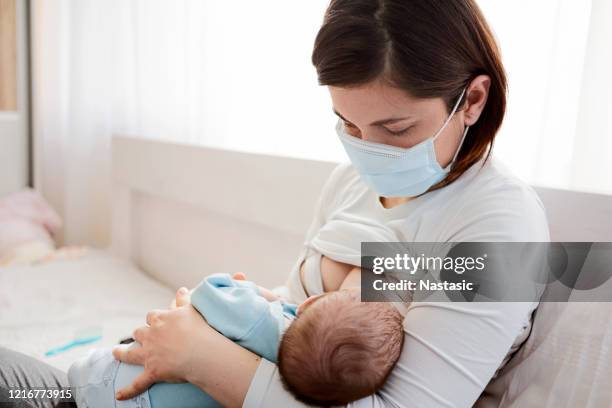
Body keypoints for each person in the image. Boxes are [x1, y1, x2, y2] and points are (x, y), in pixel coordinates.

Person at [0, 1, 549, 407]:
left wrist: (201, 354)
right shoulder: (351, 182)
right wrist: (238, 312)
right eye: (349, 124)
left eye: (395, 128)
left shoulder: (499, 226)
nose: (367, 150)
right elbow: (295, 322)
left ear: (472, 100)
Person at [67, 272, 404, 408]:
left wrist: (253, 293)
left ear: (312, 301)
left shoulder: (261, 318)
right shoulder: (313, 379)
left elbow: (211, 288)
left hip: (110, 384)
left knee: (70, 380)